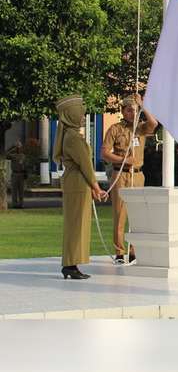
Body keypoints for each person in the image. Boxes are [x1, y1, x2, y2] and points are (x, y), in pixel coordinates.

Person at [54, 95, 108, 279]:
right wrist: (96, 187)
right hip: (78, 182)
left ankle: (71, 264)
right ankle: (71, 265)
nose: (83, 116)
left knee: (74, 224)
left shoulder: (69, 135)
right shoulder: (74, 138)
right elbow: (85, 164)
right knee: (77, 225)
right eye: (81, 113)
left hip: (75, 182)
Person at [101, 93, 158, 265]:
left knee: (137, 215)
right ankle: (120, 252)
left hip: (138, 175)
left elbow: (153, 124)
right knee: (120, 214)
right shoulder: (115, 129)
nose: (132, 113)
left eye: (135, 110)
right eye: (129, 110)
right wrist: (123, 160)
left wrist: (143, 105)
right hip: (121, 175)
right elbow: (104, 153)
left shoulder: (140, 129)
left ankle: (133, 251)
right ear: (123, 111)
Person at [5, 140, 27, 209]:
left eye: (19, 147)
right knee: (14, 190)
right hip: (14, 174)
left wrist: (26, 174)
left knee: (21, 191)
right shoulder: (13, 155)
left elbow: (25, 166)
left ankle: (21, 204)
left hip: (21, 174)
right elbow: (6, 154)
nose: (19, 148)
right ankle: (14, 204)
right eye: (17, 147)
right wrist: (12, 147)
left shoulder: (23, 156)